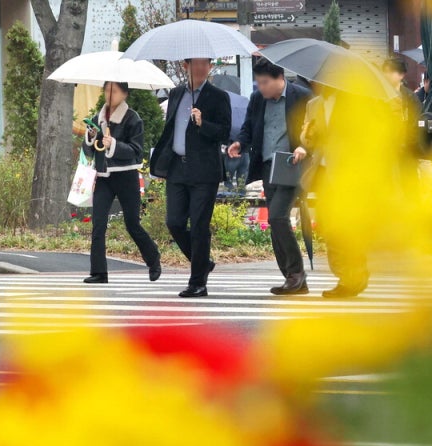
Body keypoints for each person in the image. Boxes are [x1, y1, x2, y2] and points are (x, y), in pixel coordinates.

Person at [228, 58, 311, 295]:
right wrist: (239, 144)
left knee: (277, 217)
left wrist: (305, 147)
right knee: (275, 223)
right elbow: (248, 128)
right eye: (258, 83)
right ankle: (292, 277)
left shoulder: (302, 97)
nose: (261, 87)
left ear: (279, 79)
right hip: (267, 166)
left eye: (264, 82)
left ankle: (296, 274)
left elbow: (316, 130)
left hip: (291, 165)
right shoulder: (257, 99)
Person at [150, 58, 231, 298]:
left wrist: (202, 123)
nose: (201, 68)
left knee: (198, 226)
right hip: (177, 168)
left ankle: (198, 282)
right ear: (186, 66)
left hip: (204, 172)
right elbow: (170, 129)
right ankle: (203, 262)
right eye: (196, 64)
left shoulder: (218, 96)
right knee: (174, 222)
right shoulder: (175, 94)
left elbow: (224, 133)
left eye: (205, 64)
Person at [82, 81, 161, 284]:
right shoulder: (96, 119)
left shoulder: (133, 119)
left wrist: (114, 144)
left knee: (132, 223)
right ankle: (99, 272)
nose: (110, 94)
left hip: (126, 176)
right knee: (98, 224)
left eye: (114, 91)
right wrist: (90, 138)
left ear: (124, 94)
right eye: (107, 89)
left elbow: (136, 151)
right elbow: (88, 151)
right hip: (104, 177)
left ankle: (153, 259)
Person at [300, 86, 370, 298]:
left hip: (348, 174)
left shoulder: (354, 102)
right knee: (329, 227)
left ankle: (351, 277)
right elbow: (308, 141)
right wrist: (307, 136)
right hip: (323, 173)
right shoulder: (313, 105)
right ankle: (349, 274)